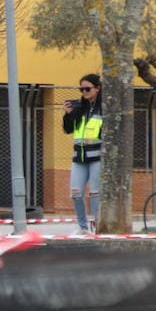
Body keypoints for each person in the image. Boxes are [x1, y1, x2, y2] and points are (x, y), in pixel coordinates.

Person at [62, 73, 103, 233]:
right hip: (79, 157)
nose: (84, 92)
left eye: (87, 89)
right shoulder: (80, 108)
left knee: (94, 192)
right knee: (76, 193)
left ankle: (97, 225)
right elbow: (68, 129)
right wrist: (67, 114)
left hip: (97, 157)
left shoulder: (104, 108)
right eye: (82, 89)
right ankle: (82, 227)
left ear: (97, 89)